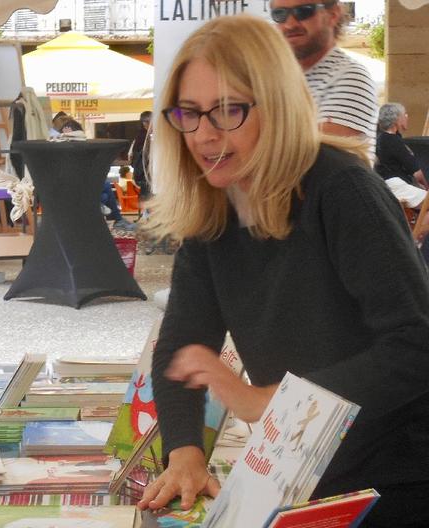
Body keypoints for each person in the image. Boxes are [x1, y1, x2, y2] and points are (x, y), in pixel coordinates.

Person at [136, 15, 429, 528]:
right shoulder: (215, 208)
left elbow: (415, 344)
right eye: (189, 113)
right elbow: (181, 345)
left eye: (228, 111)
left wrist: (275, 402)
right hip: (305, 477)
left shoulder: (343, 191)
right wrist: (184, 450)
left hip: (396, 482)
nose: (204, 134)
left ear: (277, 106)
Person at [270, 0, 377, 160]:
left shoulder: (351, 76)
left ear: (333, 14)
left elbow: (314, 157)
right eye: (280, 14)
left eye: (304, 11)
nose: (290, 24)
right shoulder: (276, 78)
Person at [375, 102, 427, 209]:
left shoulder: (381, 138)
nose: (407, 118)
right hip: (396, 186)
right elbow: (417, 174)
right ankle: (416, 227)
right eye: (405, 115)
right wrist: (427, 187)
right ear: (397, 119)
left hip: (386, 185)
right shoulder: (392, 140)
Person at [130, 110, 153, 198]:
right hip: (146, 175)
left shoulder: (140, 137)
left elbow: (131, 157)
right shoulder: (145, 137)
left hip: (143, 175)